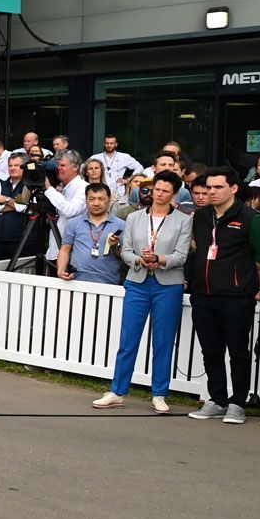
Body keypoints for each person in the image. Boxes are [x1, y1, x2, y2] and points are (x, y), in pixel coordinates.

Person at [93, 172, 192, 414]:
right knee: (128, 339)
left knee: (163, 341)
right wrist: (139, 259)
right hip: (137, 281)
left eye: (164, 191)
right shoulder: (135, 218)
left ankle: (159, 393)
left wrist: (160, 259)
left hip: (168, 284)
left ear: (174, 194)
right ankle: (117, 391)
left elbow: (182, 255)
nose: (158, 194)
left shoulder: (183, 220)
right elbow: (125, 250)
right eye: (155, 189)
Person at [185, 167, 260, 425]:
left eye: (217, 187)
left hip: (237, 298)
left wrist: (249, 283)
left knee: (238, 352)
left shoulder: (251, 218)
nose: (211, 192)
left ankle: (237, 402)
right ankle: (217, 400)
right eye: (208, 187)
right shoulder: (201, 217)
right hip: (203, 295)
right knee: (210, 351)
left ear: (233, 188)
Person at [56, 184, 126, 286]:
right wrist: (61, 270)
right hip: (76, 280)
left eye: (101, 199)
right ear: (86, 201)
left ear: (109, 200)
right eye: (92, 199)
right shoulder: (74, 223)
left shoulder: (121, 225)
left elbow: (125, 256)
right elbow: (65, 249)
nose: (96, 203)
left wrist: (115, 246)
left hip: (109, 282)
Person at [41, 151, 88, 273]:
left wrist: (49, 189)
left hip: (71, 254)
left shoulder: (83, 187)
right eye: (57, 165)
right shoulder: (63, 187)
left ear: (75, 167)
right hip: (56, 249)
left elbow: (70, 211)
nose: (58, 169)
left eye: (62, 165)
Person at [0, 153, 33, 262]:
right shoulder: (1, 184)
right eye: (10, 165)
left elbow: (24, 208)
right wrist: (14, 204)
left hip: (21, 242)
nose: (12, 168)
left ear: (25, 167)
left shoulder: (29, 185)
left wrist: (6, 200)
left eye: (16, 165)